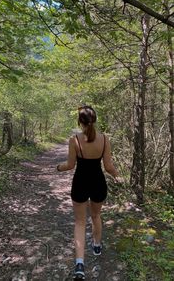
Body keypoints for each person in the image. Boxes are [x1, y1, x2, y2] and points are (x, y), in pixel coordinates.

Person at [56, 105, 118, 280]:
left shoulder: (74, 140)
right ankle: (97, 245)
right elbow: (108, 167)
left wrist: (58, 168)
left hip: (80, 183)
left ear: (79, 121)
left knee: (80, 222)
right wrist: (117, 175)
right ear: (95, 120)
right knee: (96, 216)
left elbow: (69, 165)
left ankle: (80, 264)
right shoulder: (104, 139)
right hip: (98, 182)